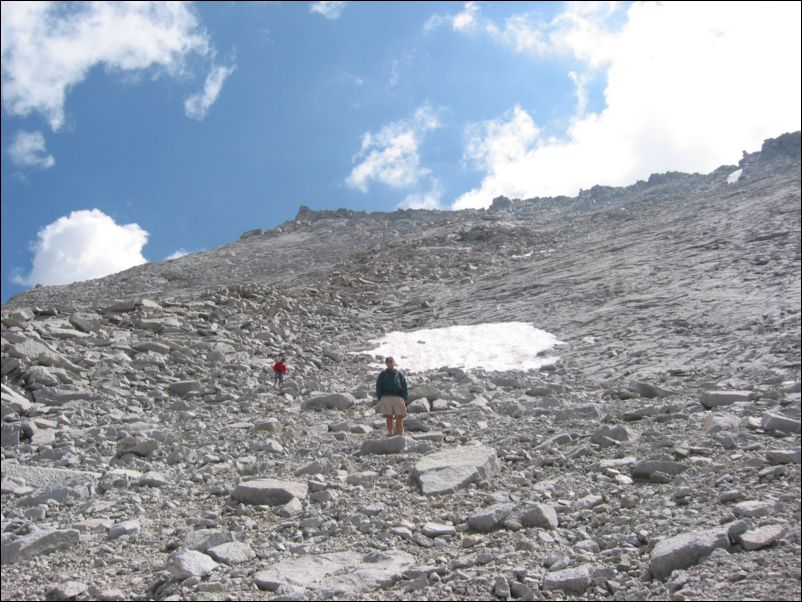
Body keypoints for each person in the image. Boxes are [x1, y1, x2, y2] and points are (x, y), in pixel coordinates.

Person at [375, 356, 408, 436]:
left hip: (397, 397)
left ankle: (399, 433)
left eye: (391, 362)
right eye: (388, 362)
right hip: (388, 397)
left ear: (394, 363)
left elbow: (404, 386)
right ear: (386, 363)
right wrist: (380, 397)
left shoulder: (399, 375)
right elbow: (378, 386)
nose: (390, 363)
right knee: (390, 416)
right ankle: (392, 433)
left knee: (399, 416)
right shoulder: (383, 375)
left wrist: (404, 397)